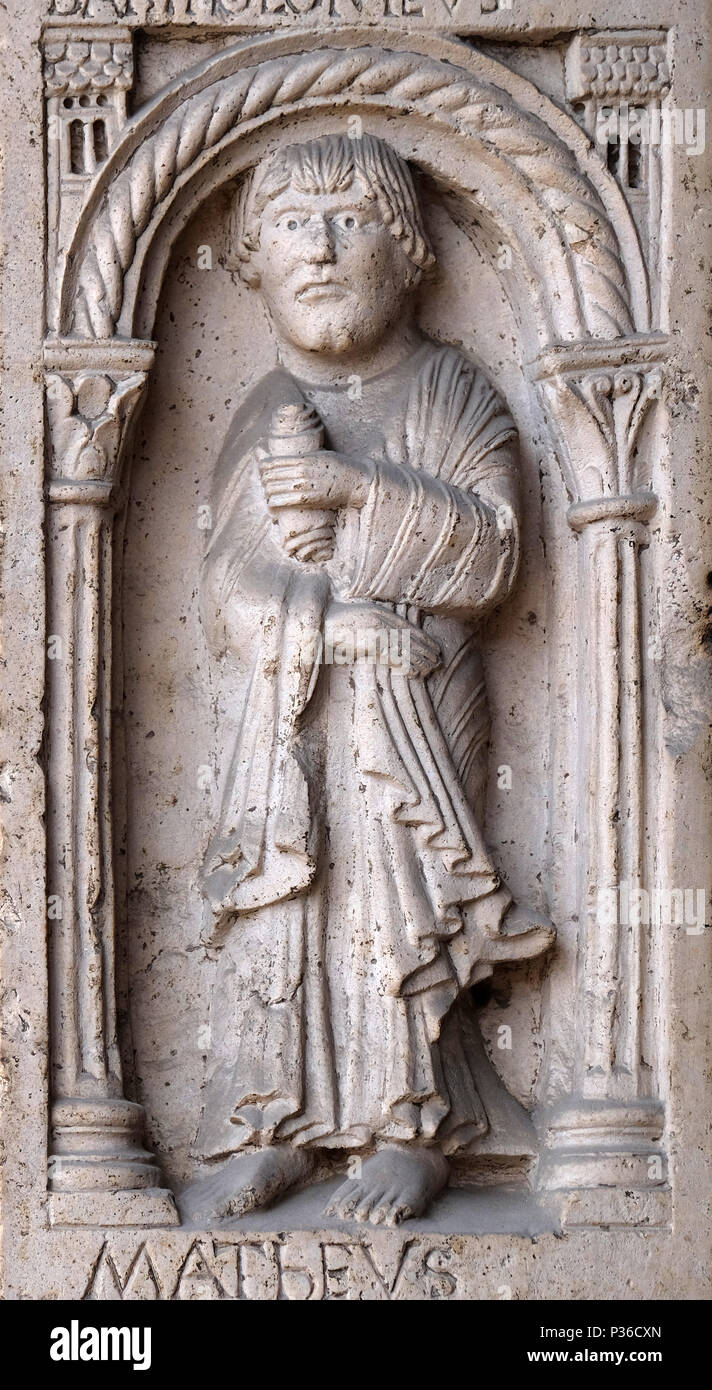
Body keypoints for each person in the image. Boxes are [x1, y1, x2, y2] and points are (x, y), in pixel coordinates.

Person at [180, 133, 553, 1229]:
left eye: (352, 224)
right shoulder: (262, 411)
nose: (323, 249)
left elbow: (489, 554)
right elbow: (232, 584)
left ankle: (410, 1127)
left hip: (419, 705)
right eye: (296, 226)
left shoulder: (451, 390)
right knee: (285, 912)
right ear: (256, 259)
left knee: (399, 909)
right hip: (290, 720)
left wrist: (353, 490)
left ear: (410, 254)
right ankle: (275, 1127)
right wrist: (325, 624)